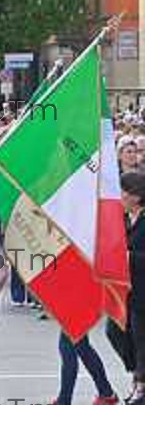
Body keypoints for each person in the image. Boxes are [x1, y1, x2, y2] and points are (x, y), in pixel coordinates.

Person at [106, 172, 145, 404]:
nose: (119, 197)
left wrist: (129, 257)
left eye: (123, 192)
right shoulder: (123, 219)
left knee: (140, 338)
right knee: (115, 332)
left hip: (141, 292)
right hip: (124, 291)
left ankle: (140, 385)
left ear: (136, 196)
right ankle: (137, 374)